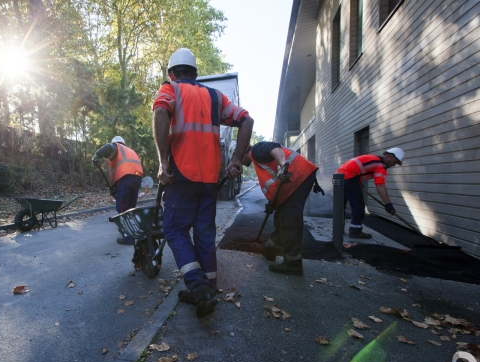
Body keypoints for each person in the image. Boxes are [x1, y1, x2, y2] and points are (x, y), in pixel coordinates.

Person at [152, 48, 253, 318]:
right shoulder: (215, 96)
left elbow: (161, 112)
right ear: (196, 74)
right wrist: (235, 159)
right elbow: (246, 120)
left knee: (174, 230)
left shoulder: (170, 89)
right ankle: (209, 287)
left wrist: (163, 162)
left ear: (171, 72)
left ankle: (199, 288)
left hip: (181, 177)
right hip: (210, 179)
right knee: (205, 234)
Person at [240, 141, 321, 276]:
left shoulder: (257, 150)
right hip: (294, 182)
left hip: (298, 176)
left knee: (289, 218)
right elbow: (274, 183)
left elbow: (274, 148)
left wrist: (284, 165)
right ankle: (271, 250)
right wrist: (274, 203)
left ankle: (292, 263)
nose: (240, 163)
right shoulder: (257, 160)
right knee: (282, 216)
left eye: (238, 158)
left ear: (242, 152)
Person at [336, 148, 405, 239]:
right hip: (349, 179)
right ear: (389, 156)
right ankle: (355, 231)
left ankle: (338, 229)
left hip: (339, 177)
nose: (394, 165)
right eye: (395, 162)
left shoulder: (373, 158)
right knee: (358, 206)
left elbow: (358, 169)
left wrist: (358, 182)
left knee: (341, 206)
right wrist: (388, 204)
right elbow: (380, 186)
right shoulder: (380, 165)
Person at [92, 136, 143, 245]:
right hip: (137, 178)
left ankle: (127, 237)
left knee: (122, 208)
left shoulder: (116, 146)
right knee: (130, 208)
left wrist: (97, 155)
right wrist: (115, 189)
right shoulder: (130, 151)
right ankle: (132, 231)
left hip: (125, 178)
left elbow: (108, 147)